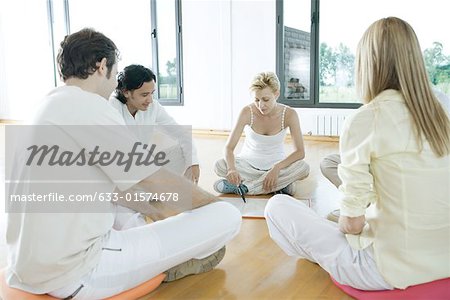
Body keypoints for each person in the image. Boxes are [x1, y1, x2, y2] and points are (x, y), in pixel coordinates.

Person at [5, 28, 241, 299]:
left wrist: (156, 208)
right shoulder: (91, 107)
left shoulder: (43, 107)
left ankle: (163, 248)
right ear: (101, 65)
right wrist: (210, 204)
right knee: (227, 216)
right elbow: (152, 178)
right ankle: (171, 262)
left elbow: (110, 189)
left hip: (25, 267)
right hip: (77, 274)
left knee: (137, 208)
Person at [265, 17, 450, 290]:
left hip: (384, 270)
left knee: (277, 207)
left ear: (367, 64)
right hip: (443, 259)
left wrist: (348, 220)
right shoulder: (442, 112)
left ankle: (326, 253)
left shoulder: (367, 119)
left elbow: (351, 226)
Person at [321, 89, 450, 222]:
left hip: (401, 198)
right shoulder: (440, 99)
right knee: (329, 161)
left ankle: (364, 204)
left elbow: (351, 226)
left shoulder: (370, 113)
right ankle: (363, 202)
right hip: (423, 195)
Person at [213, 71, 310, 196]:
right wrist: (232, 169)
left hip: (276, 166)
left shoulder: (289, 114)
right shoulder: (247, 112)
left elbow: (300, 152)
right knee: (219, 165)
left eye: (266, 99)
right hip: (247, 164)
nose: (261, 105)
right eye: (256, 100)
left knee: (304, 168)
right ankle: (277, 186)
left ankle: (246, 187)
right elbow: (229, 148)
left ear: (276, 94)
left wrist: (277, 168)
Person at [109, 64, 200, 184]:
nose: (150, 100)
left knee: (181, 153)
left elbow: (181, 134)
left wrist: (193, 163)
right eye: (144, 95)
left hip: (141, 165)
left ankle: (153, 190)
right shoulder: (112, 107)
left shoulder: (153, 106)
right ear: (126, 92)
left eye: (152, 93)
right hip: (119, 167)